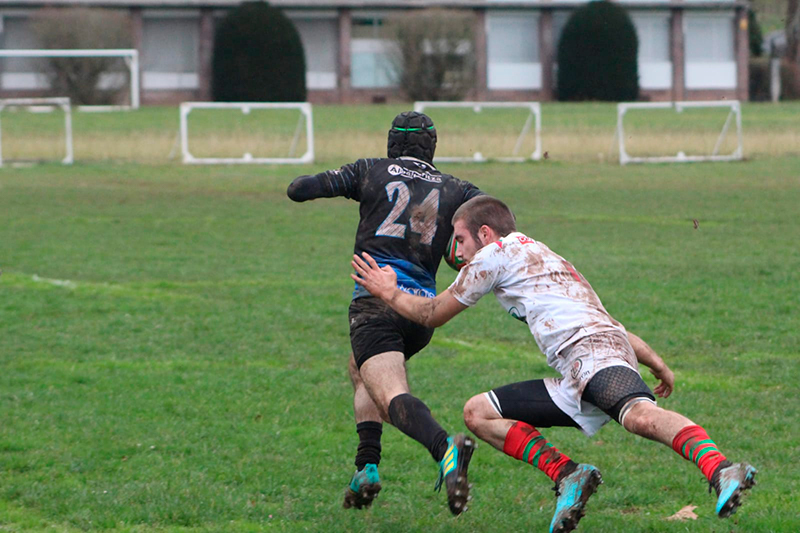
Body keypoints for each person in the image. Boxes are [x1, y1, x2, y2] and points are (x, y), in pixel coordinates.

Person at [351, 195, 757, 532]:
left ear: (486, 234)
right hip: (581, 364)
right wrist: (654, 360)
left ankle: (721, 469)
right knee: (479, 414)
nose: (457, 251)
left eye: (460, 239)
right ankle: (568, 475)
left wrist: (389, 292)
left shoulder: (493, 254)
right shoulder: (540, 252)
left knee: (640, 417)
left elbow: (432, 313)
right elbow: (604, 317)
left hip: (592, 352)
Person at [287, 111, 483, 514]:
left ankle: (445, 449)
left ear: (391, 143)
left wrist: (341, 184)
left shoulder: (369, 171)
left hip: (376, 305)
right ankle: (366, 467)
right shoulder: (458, 188)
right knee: (359, 369)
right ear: (433, 147)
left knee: (391, 392)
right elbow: (492, 221)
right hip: (420, 313)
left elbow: (299, 189)